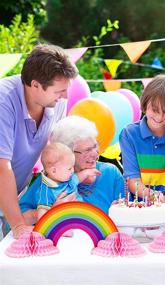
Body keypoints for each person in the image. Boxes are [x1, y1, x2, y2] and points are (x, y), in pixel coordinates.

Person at [0, 44, 78, 239]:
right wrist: (18, 225)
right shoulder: (3, 102)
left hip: (14, 196)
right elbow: (2, 168)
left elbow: (59, 154)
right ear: (35, 85)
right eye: (59, 91)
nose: (66, 97)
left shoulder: (56, 102)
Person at [19, 116, 124, 217]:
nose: (95, 154)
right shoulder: (51, 179)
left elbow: (128, 212)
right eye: (87, 150)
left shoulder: (110, 173)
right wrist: (50, 211)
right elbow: (18, 218)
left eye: (95, 146)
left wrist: (119, 210)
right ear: (68, 153)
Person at [119, 75, 165, 203]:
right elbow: (133, 181)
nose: (159, 117)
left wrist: (163, 203)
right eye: (154, 110)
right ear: (145, 101)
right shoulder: (129, 134)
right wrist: (154, 199)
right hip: (137, 208)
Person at [19, 142, 98, 223]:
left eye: (95, 147)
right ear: (54, 170)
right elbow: (42, 213)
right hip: (61, 222)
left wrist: (88, 172)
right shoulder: (46, 189)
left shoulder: (68, 178)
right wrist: (55, 211)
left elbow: (78, 177)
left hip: (81, 216)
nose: (72, 171)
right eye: (69, 168)